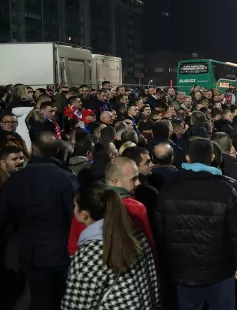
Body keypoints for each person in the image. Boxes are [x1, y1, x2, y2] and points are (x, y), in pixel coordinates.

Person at [155, 138, 237, 310]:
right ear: (212, 158)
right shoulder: (225, 189)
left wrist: (167, 266)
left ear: (187, 158)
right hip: (220, 270)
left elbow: (161, 234)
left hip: (183, 270)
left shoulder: (167, 190)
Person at [0, 132, 79, 310]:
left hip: (29, 255)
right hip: (61, 254)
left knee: (39, 299)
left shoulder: (14, 181)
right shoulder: (66, 179)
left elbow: (3, 219)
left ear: (34, 149)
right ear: (58, 151)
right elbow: (77, 217)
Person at [61, 182, 160, 310]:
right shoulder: (136, 234)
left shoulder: (88, 255)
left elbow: (74, 305)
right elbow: (152, 281)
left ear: (84, 214)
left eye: (75, 206)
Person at [67, 157, 156, 256]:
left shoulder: (85, 206)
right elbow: (149, 247)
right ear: (115, 182)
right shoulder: (135, 208)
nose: (138, 182)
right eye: (133, 179)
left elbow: (73, 247)